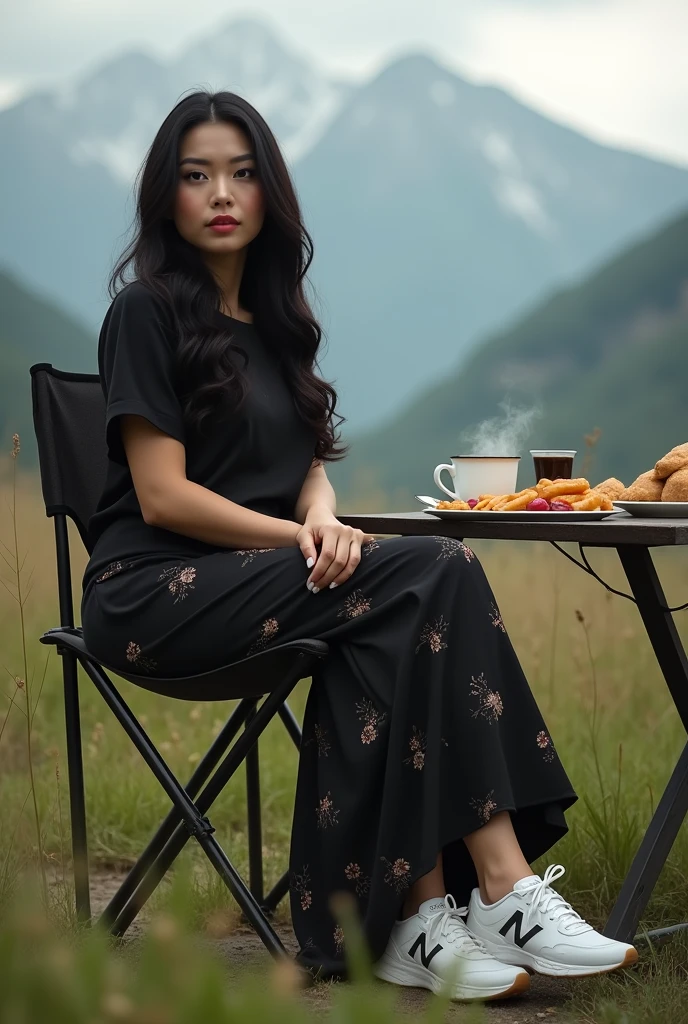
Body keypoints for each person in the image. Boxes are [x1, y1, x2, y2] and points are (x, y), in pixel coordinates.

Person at [80, 90, 638, 1002]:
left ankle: (412, 920)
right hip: (150, 591)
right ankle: (503, 888)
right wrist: (306, 540)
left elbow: (307, 464)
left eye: (242, 172)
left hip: (256, 580)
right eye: (196, 175)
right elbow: (162, 494)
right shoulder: (146, 313)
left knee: (387, 620)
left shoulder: (278, 323)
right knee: (436, 565)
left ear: (270, 194)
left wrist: (323, 511)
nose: (221, 192)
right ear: (166, 198)